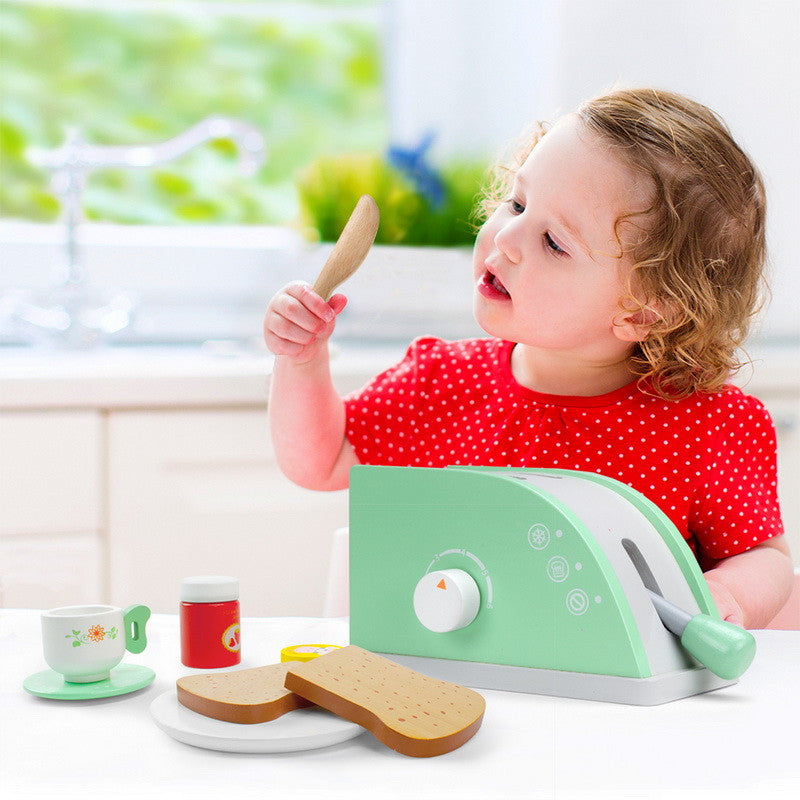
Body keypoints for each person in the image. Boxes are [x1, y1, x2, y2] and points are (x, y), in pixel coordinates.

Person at [264, 87, 793, 629]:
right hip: (469, 690)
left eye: (554, 243)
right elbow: (324, 459)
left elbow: (768, 561)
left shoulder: (705, 425)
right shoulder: (443, 383)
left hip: (625, 705)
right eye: (517, 203)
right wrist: (301, 360)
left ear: (643, 313)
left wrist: (723, 598)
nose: (507, 237)